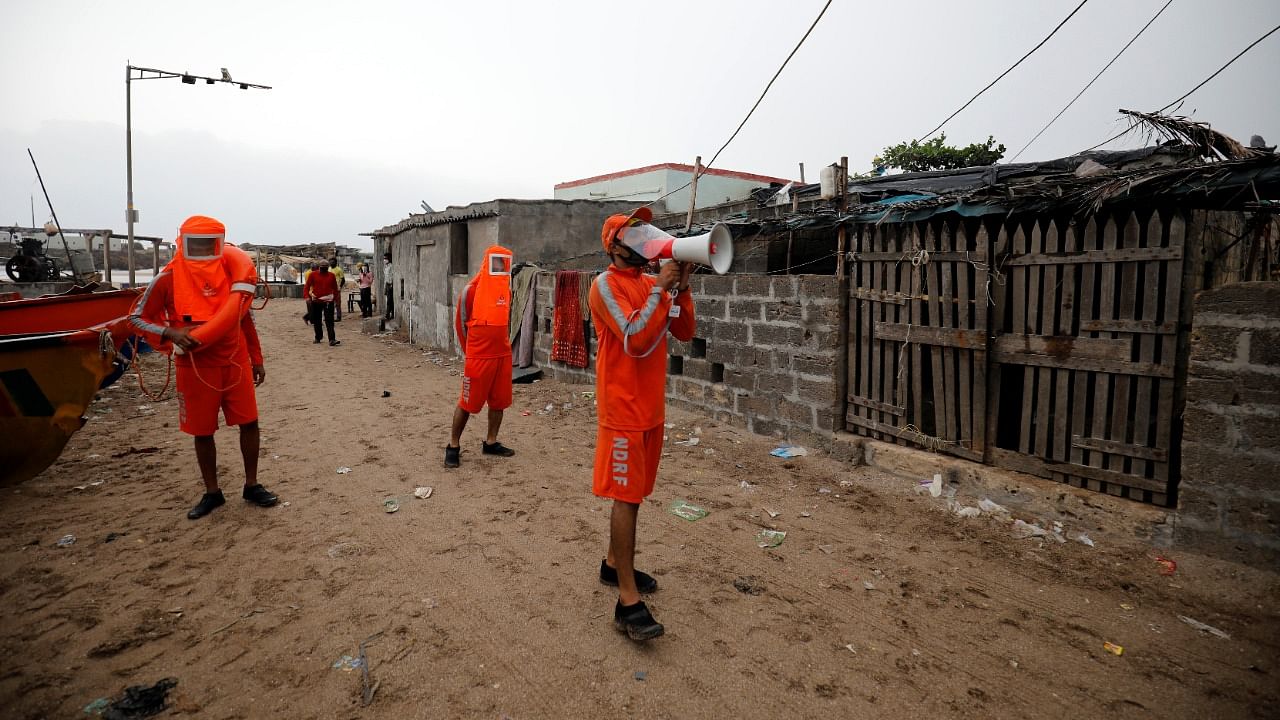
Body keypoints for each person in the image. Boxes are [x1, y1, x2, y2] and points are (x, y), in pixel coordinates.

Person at [588, 207, 695, 642]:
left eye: (644, 231)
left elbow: (684, 331)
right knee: (626, 497)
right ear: (614, 245)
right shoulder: (604, 285)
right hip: (623, 409)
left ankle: (614, 566)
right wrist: (661, 291)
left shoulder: (652, 283)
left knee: (638, 493)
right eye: (633, 233)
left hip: (651, 407)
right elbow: (634, 338)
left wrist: (681, 289)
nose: (644, 238)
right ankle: (627, 602)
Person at [128, 215, 279, 520]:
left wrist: (257, 358)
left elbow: (244, 316)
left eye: (209, 243)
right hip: (194, 363)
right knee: (202, 430)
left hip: (234, 360)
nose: (201, 249)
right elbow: (136, 318)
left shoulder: (229, 272)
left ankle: (252, 484)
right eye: (194, 243)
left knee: (250, 422)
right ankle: (212, 492)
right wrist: (170, 334)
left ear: (220, 244)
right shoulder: (167, 279)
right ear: (181, 242)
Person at [446, 245, 516, 468]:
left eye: (504, 263)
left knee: (499, 401)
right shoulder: (471, 290)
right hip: (478, 357)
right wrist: (471, 354)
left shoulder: (506, 289)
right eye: (497, 262)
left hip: (502, 354)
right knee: (467, 402)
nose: (501, 267)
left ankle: (491, 442)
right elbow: (460, 324)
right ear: (487, 262)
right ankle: (453, 446)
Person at [305, 259, 341, 346]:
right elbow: (306, 287)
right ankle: (318, 337)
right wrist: (307, 297)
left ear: (327, 268)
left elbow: (335, 289)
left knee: (329, 320)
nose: (324, 270)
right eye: (322, 268)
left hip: (329, 301)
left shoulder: (331, 276)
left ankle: (332, 339)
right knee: (317, 320)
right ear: (319, 267)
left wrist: (336, 299)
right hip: (316, 301)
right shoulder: (313, 275)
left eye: (325, 268)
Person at [383, 252, 395, 320]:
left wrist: (392, 284)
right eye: (384, 258)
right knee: (389, 300)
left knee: (389, 301)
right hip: (387, 284)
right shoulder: (386, 267)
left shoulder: (391, 266)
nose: (384, 260)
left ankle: (387, 315)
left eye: (386, 258)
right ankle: (390, 314)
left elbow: (393, 276)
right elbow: (385, 277)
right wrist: (385, 287)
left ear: (389, 259)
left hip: (390, 285)